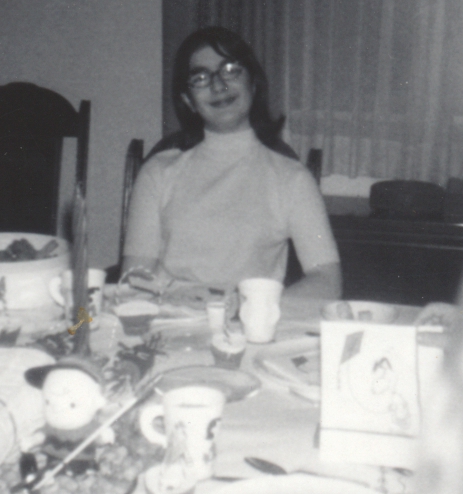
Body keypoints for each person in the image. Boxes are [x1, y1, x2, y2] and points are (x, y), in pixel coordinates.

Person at [122, 27, 341, 299]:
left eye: (230, 70)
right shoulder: (158, 172)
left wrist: (254, 309)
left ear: (253, 83)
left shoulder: (292, 179)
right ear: (188, 100)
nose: (218, 86)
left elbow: (327, 282)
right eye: (200, 78)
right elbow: (135, 280)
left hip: (250, 321)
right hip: (170, 318)